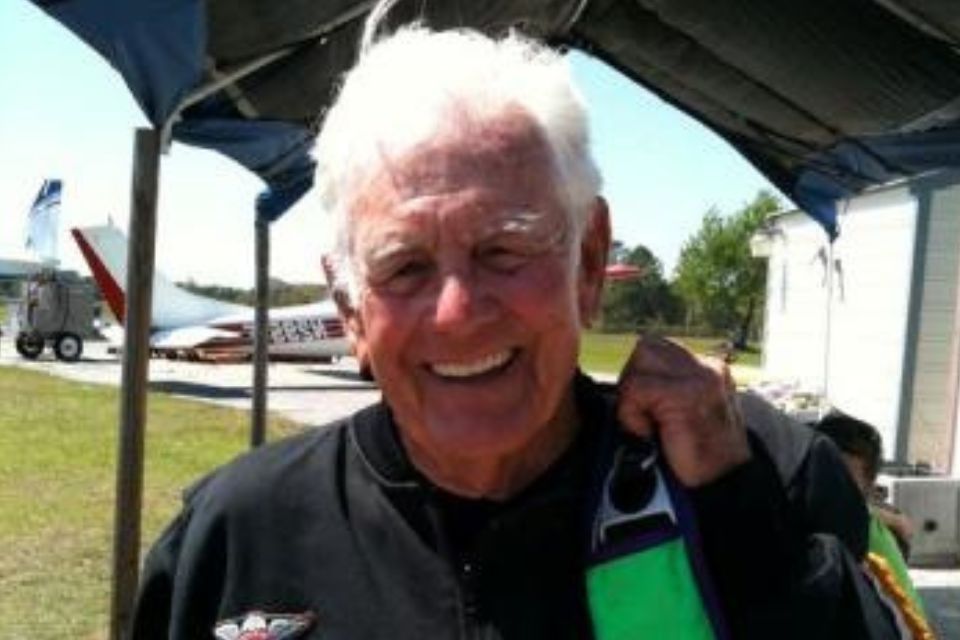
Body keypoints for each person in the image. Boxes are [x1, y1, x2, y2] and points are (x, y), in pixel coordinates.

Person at [131, 11, 903, 640]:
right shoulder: (233, 538)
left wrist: (746, 531)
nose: (458, 311)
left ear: (590, 260)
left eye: (504, 248)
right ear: (348, 306)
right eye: (404, 267)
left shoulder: (771, 473)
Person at [814, 411, 933, 637]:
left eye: (844, 482)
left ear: (867, 489)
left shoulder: (867, 539)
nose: (829, 489)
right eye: (824, 473)